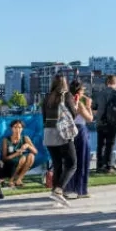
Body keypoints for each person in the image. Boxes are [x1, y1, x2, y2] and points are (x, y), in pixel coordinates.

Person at [41, 73, 77, 207]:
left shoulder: (47, 97)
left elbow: (43, 117)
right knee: (72, 164)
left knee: (57, 165)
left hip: (48, 133)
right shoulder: (66, 95)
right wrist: (76, 105)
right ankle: (59, 190)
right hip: (62, 133)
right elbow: (73, 114)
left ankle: (55, 194)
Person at [65, 80, 93, 199]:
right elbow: (90, 119)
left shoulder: (67, 102)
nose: (84, 93)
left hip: (69, 132)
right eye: (83, 91)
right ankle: (81, 190)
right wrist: (88, 106)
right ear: (79, 91)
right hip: (80, 132)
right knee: (82, 160)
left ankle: (67, 188)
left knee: (70, 161)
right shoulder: (79, 104)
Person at [92, 75, 116, 174]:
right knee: (110, 144)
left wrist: (99, 116)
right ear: (115, 83)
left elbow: (94, 109)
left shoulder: (98, 94)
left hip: (100, 122)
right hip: (112, 123)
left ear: (107, 83)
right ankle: (108, 166)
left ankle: (99, 166)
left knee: (100, 145)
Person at [2, 120, 37, 188]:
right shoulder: (6, 140)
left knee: (31, 156)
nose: (17, 129)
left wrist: (28, 145)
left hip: (22, 161)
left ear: (22, 129)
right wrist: (16, 154)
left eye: (19, 127)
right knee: (23, 158)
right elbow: (4, 158)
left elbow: (35, 151)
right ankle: (11, 180)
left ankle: (19, 179)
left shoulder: (25, 138)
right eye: (15, 127)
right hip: (10, 163)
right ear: (11, 128)